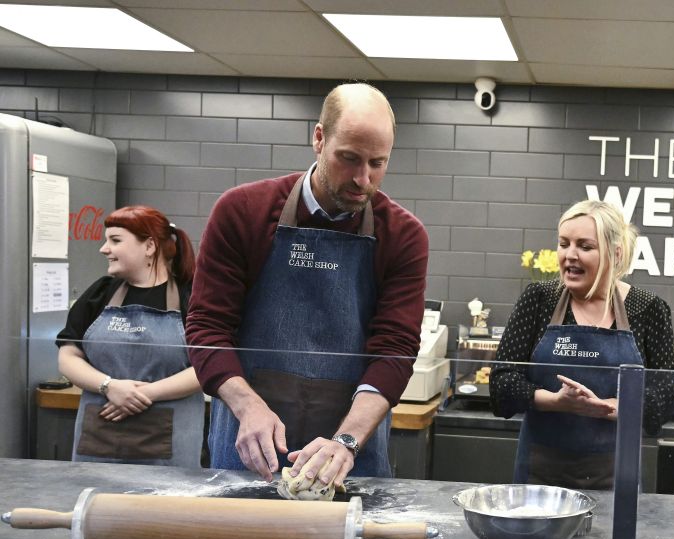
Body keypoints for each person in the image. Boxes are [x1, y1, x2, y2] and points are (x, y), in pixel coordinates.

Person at [186, 82, 428, 485]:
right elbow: (206, 328)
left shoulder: (402, 235)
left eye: (377, 163)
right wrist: (247, 408)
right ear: (318, 138)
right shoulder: (242, 211)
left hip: (348, 451)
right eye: (348, 159)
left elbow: (395, 350)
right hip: (251, 444)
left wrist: (347, 441)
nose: (363, 180)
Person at [490, 200, 674, 489]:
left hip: (616, 475)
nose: (570, 255)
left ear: (615, 254)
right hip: (540, 475)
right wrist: (555, 401)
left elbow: (665, 395)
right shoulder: (540, 300)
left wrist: (613, 407)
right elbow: (501, 383)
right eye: (563, 244)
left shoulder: (648, 309)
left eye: (585, 246)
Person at [56, 206, 203, 468]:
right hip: (99, 440)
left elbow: (207, 365)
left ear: (149, 246)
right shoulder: (100, 293)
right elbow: (68, 355)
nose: (104, 248)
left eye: (115, 240)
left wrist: (142, 394)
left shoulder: (190, 299)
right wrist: (110, 386)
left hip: (169, 448)